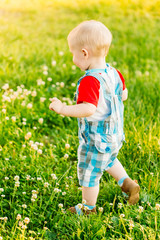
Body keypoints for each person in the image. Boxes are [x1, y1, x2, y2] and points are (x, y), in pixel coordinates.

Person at [49, 20, 140, 215]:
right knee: (109, 160)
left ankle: (88, 208)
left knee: (90, 174)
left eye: (73, 54)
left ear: (84, 53)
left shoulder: (90, 81)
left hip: (96, 140)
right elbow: (123, 95)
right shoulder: (114, 73)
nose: (73, 59)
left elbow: (88, 109)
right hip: (114, 136)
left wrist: (63, 108)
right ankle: (128, 184)